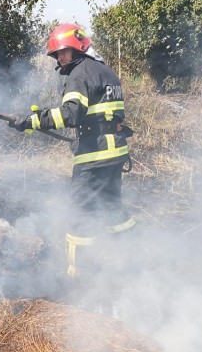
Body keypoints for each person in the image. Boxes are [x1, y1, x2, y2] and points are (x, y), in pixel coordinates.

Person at [11, 23, 135, 278]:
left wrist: (34, 121)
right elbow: (103, 115)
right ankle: (131, 258)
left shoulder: (79, 74)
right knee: (112, 206)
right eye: (57, 54)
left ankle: (80, 276)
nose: (60, 58)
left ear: (78, 48)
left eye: (64, 51)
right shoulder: (106, 72)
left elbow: (70, 114)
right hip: (114, 152)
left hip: (95, 156)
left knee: (80, 213)